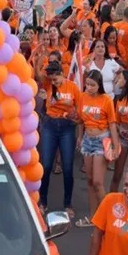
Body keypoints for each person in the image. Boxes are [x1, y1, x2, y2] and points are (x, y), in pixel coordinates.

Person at [76, 70, 120, 228]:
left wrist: (116, 145)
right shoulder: (82, 97)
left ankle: (109, 217)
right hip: (88, 139)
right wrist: (80, 137)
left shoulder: (106, 100)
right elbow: (81, 119)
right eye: (87, 84)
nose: (89, 87)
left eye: (92, 85)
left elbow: (112, 124)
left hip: (102, 140)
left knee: (98, 182)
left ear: (99, 85)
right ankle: (93, 217)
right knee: (89, 180)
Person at [39, 60, 81, 219]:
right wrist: (40, 56)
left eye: (56, 79)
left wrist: (79, 130)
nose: (53, 82)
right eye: (51, 80)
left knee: (68, 166)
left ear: (62, 74)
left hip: (67, 127)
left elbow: (80, 110)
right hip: (50, 125)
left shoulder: (73, 87)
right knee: (47, 165)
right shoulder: (48, 84)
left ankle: (68, 204)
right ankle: (42, 202)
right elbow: (38, 73)